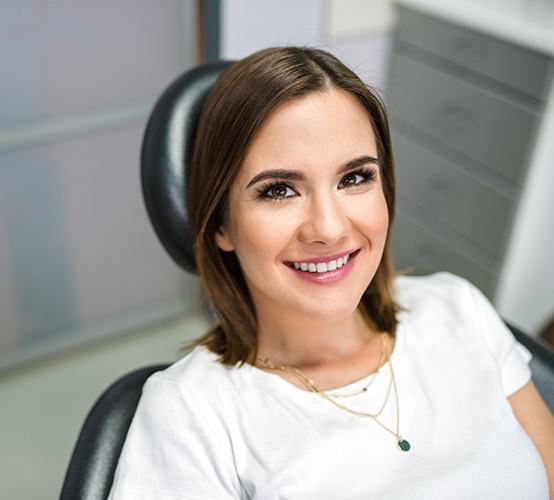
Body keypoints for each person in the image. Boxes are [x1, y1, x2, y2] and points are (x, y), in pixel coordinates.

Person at [108, 46, 553, 499]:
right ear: (221, 223)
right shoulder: (188, 413)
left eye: (355, 178)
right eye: (280, 190)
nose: (329, 228)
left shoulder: (458, 309)